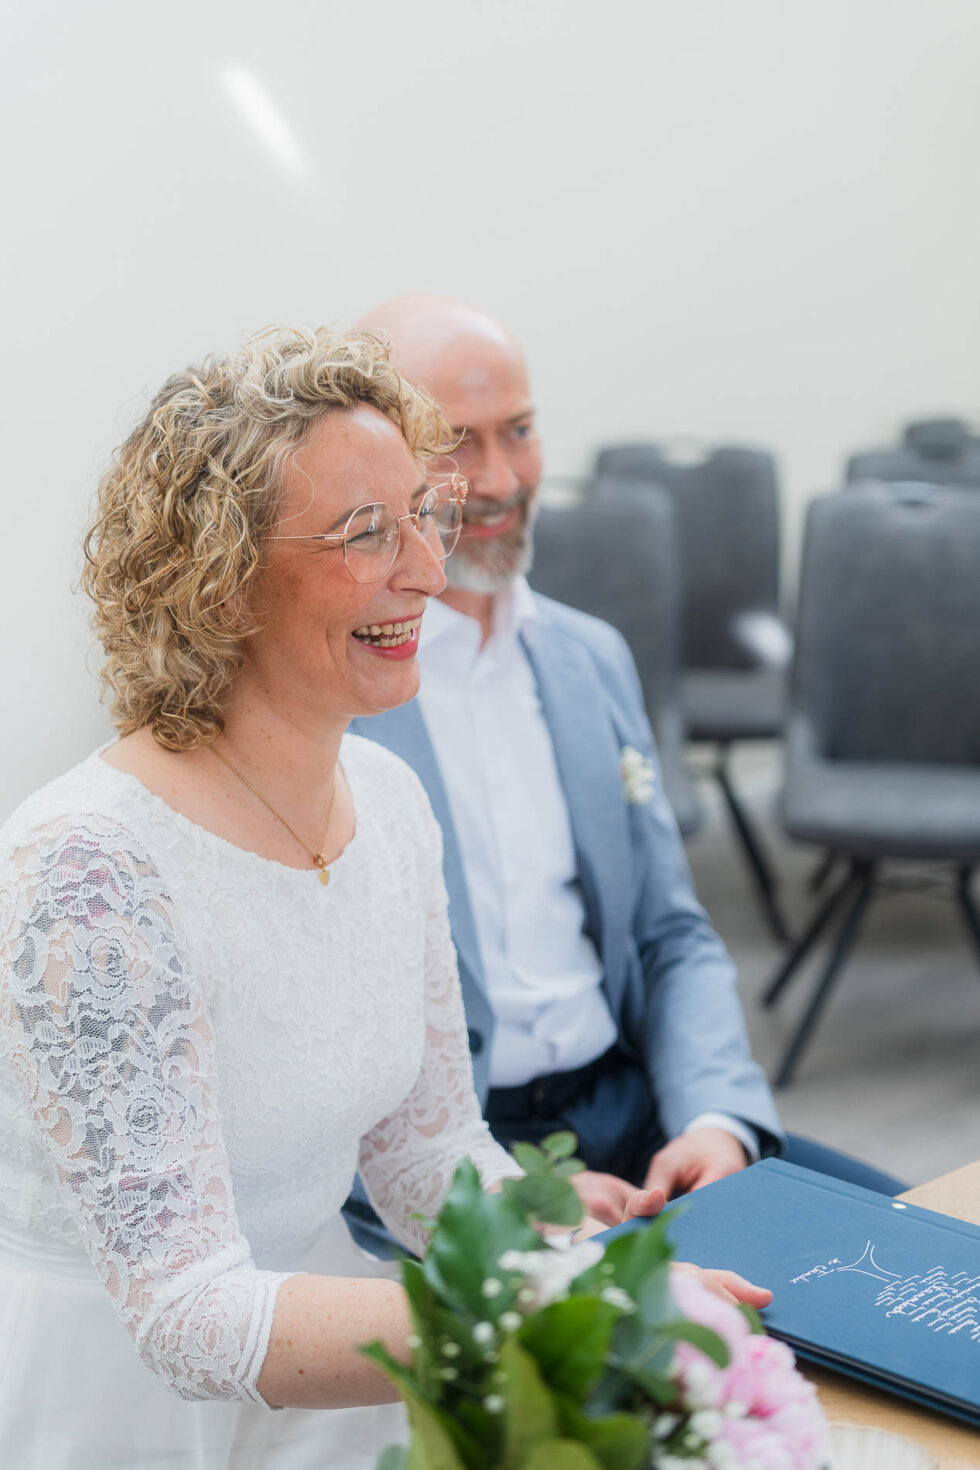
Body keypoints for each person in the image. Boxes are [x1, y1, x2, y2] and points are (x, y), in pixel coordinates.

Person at [0, 326, 764, 1470]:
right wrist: (555, 1315)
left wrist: (595, 1279)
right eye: (367, 533)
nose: (427, 571)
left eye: (423, 516)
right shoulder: (90, 870)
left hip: (328, 1348)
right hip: (126, 1407)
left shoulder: (390, 802)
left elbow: (428, 1152)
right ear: (218, 581)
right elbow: (185, 1315)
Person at [345, 296, 905, 1252]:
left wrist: (715, 1119)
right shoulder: (340, 695)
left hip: (635, 1108)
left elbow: (669, 932)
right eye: (454, 443)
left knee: (933, 1260)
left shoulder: (590, 657)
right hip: (457, 1150)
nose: (499, 479)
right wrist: (484, 1186)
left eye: (520, 431)